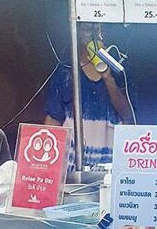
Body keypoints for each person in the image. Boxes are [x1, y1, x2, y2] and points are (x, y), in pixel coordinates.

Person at [44, 23, 134, 168]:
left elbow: (128, 115)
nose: (93, 35)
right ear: (77, 32)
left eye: (100, 29)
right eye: (86, 29)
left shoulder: (120, 68)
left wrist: (108, 78)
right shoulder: (66, 69)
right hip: (72, 164)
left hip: (110, 163)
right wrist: (48, 163)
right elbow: (53, 120)